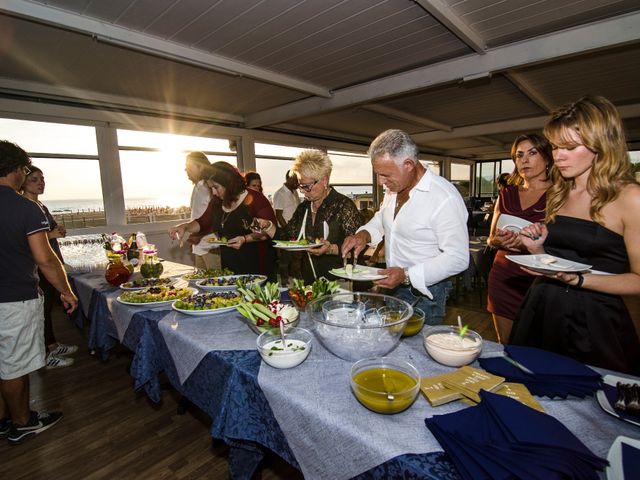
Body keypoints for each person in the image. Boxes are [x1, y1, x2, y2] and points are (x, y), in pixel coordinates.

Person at [511, 96, 640, 374]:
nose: (558, 156)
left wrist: (581, 279)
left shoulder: (630, 197)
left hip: (594, 320)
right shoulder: (559, 192)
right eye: (556, 147)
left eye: (570, 147)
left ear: (601, 145)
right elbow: (558, 264)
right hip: (543, 306)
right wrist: (537, 251)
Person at [342, 129, 469, 325]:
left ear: (409, 165)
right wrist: (364, 235)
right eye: (378, 174)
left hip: (426, 294)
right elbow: (382, 218)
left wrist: (407, 275)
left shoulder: (444, 197)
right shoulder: (394, 187)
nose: (380, 182)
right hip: (393, 287)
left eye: (385, 175)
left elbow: (458, 258)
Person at [0, 140, 78, 445]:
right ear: (18, 169)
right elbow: (45, 259)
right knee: (14, 366)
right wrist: (67, 292)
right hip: (14, 299)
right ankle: (23, 422)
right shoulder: (25, 208)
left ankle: (4, 419)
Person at [486, 134, 553, 343]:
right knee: (506, 346)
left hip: (540, 278)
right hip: (504, 276)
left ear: (548, 157)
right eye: (519, 155)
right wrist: (497, 242)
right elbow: (490, 238)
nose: (524, 160)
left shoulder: (560, 194)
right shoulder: (506, 193)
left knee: (540, 347)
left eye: (532, 153)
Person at [258, 150, 363, 283]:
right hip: (310, 281)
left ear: (324, 180)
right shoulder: (304, 207)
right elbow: (285, 237)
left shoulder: (343, 206)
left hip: (339, 282)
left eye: (306, 187)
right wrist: (268, 226)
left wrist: (331, 249)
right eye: (300, 186)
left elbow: (359, 248)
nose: (302, 191)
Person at [169, 162, 276, 279]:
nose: (213, 192)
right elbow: (203, 222)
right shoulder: (217, 202)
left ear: (228, 183)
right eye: (211, 188)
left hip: (257, 264)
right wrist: (184, 227)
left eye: (216, 187)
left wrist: (245, 239)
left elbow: (269, 231)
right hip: (230, 265)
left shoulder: (256, 199)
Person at [21, 166, 78, 368]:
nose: (40, 182)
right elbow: (27, 239)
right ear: (23, 182)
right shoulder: (25, 206)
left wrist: (57, 230)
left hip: (52, 260)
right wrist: (51, 235)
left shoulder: (41, 206)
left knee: (47, 308)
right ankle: (44, 356)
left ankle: (52, 344)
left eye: (42, 179)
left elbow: (49, 230)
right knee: (42, 310)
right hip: (38, 266)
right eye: (34, 179)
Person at [184, 151, 216, 269]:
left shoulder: (209, 187)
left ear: (201, 166)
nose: (186, 170)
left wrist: (200, 235)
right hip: (198, 247)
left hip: (212, 248)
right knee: (200, 283)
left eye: (189, 167)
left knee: (216, 284)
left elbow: (215, 217)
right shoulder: (197, 187)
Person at [272, 170, 301, 285]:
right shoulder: (280, 194)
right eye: (295, 180)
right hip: (285, 231)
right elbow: (278, 215)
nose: (298, 183)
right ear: (289, 178)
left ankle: (297, 281)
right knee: (285, 259)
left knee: (297, 257)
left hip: (296, 230)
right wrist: (287, 230)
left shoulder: (295, 193)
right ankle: (284, 283)